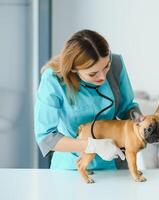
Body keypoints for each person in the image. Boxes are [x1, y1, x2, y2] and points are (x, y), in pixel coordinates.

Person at [34, 29, 143, 170]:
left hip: (115, 162)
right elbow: (46, 137)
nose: (103, 77)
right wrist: (92, 145)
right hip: (72, 166)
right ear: (73, 69)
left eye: (106, 67)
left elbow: (127, 107)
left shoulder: (116, 64)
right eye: (93, 73)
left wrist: (143, 123)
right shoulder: (53, 80)